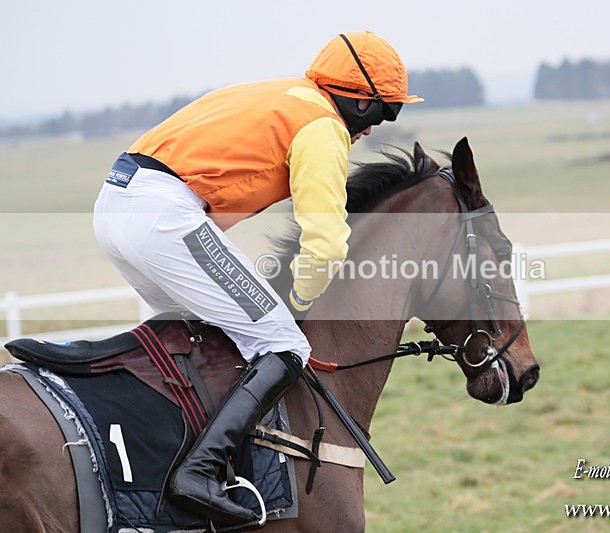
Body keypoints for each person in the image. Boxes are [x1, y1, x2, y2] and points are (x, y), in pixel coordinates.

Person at [93, 31, 422, 525]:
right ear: (357, 100)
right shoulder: (321, 125)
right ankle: (198, 473)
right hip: (162, 215)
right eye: (383, 111)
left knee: (208, 342)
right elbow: (327, 241)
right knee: (284, 342)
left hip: (117, 206)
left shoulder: (286, 95)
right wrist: (298, 300)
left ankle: (179, 461)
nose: (376, 128)